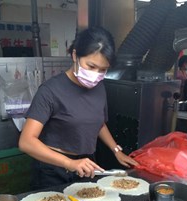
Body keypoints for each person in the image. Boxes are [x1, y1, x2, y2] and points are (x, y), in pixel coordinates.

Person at [19, 26, 138, 189]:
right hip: (54, 168)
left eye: (103, 70)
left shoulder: (99, 87)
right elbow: (26, 141)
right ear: (75, 55)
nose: (96, 74)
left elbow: (99, 122)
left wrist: (116, 150)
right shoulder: (50, 91)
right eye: (91, 66)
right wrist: (69, 163)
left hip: (86, 165)